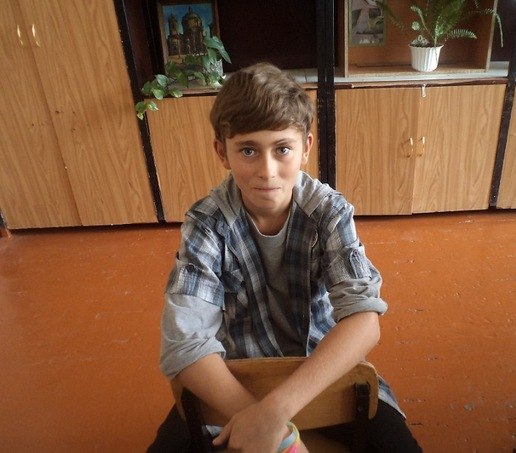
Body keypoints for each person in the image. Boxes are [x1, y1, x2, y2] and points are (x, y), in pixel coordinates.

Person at [148, 62, 422, 453]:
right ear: (222, 152)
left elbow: (364, 320)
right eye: (248, 150)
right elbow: (183, 342)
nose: (267, 171)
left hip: (320, 371)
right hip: (235, 377)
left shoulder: (330, 212)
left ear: (306, 148)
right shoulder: (207, 223)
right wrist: (261, 420)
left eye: (282, 149)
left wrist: (274, 413)